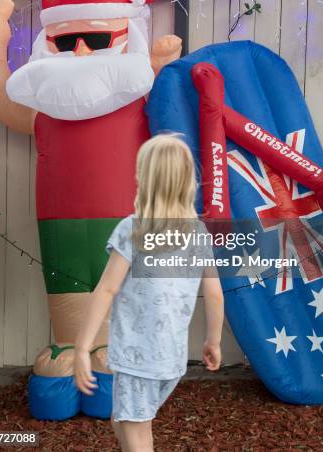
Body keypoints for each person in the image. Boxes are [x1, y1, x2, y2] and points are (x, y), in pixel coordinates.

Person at [74, 134, 224, 452]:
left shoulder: (134, 229)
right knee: (129, 422)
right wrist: (213, 341)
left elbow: (106, 289)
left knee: (136, 435)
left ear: (144, 178)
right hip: (170, 359)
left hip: (136, 358)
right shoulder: (196, 232)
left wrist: (81, 348)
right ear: (187, 183)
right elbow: (214, 294)